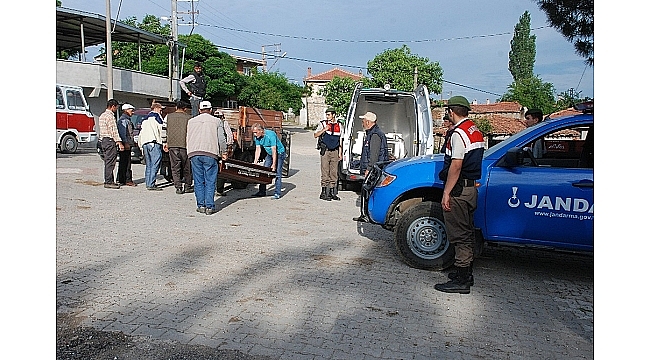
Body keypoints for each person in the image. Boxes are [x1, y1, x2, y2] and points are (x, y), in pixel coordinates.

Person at [434, 96, 485, 294]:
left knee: (459, 235)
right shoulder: (474, 130)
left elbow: (456, 164)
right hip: (470, 189)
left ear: (451, 112)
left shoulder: (458, 134)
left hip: (459, 190)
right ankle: (465, 273)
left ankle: (462, 281)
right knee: (467, 231)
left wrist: (446, 192)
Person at [186, 101, 229, 215]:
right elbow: (221, 139)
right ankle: (209, 206)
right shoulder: (217, 121)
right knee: (210, 181)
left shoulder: (191, 121)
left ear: (199, 110)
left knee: (199, 180)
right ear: (211, 110)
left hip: (194, 153)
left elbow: (188, 137)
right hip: (210, 152)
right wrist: (224, 152)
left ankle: (200, 205)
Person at [353, 111, 388, 222]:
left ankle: (367, 215)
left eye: (363, 120)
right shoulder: (371, 133)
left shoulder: (375, 135)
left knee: (368, 191)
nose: (362, 122)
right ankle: (365, 214)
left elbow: (374, 154)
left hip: (373, 169)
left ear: (368, 122)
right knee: (367, 191)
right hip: (373, 168)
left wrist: (369, 168)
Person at [163, 100, 194, 194]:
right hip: (186, 145)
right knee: (187, 167)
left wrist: (165, 142)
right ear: (185, 109)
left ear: (176, 107)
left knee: (175, 167)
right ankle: (188, 185)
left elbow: (164, 130)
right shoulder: (189, 118)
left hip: (172, 144)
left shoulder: (168, 117)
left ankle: (178, 187)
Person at [314, 107, 343, 201]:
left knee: (334, 172)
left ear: (334, 115)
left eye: (329, 114)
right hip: (325, 151)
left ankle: (331, 192)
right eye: (326, 114)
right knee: (325, 171)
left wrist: (340, 153)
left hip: (335, 151)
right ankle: (323, 192)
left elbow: (341, 140)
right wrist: (324, 129)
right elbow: (315, 135)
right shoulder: (323, 124)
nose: (327, 116)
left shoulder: (339, 125)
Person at [251, 123, 286, 200]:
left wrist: (273, 164)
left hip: (279, 153)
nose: (254, 134)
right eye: (253, 132)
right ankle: (262, 191)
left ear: (261, 131)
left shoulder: (270, 135)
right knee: (264, 171)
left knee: (277, 173)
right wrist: (255, 162)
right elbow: (258, 149)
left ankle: (277, 193)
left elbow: (274, 150)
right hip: (269, 154)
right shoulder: (257, 137)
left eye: (256, 132)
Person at [138, 103, 165, 190]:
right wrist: (164, 142)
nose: (161, 111)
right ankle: (151, 183)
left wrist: (140, 145)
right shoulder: (157, 117)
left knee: (148, 164)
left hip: (145, 143)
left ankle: (148, 182)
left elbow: (141, 132)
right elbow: (161, 130)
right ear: (156, 108)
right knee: (155, 163)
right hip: (154, 142)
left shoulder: (145, 119)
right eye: (161, 109)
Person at [98, 99, 124, 189]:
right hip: (110, 140)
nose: (116, 109)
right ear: (113, 106)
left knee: (107, 161)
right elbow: (113, 131)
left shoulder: (102, 115)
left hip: (103, 140)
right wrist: (119, 142)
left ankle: (109, 180)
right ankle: (109, 181)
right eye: (116, 108)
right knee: (111, 162)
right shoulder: (110, 116)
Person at [213, 110, 234, 196]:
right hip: (221, 151)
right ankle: (219, 189)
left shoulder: (211, 122)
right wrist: (229, 147)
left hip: (212, 150)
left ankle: (212, 189)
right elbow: (229, 136)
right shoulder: (224, 123)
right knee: (221, 171)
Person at [116, 103, 137, 187]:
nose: (132, 112)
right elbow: (123, 133)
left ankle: (121, 179)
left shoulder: (127, 120)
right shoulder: (124, 120)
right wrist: (125, 143)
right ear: (126, 111)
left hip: (127, 143)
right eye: (131, 111)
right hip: (126, 144)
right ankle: (127, 179)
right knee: (126, 163)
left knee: (123, 162)